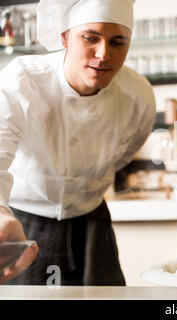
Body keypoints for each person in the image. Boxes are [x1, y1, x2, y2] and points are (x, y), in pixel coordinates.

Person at [0, 0, 156, 285]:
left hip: (93, 222)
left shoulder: (138, 95)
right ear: (64, 37)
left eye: (118, 42)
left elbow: (124, 154)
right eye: (90, 38)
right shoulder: (22, 81)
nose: (103, 54)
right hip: (25, 224)